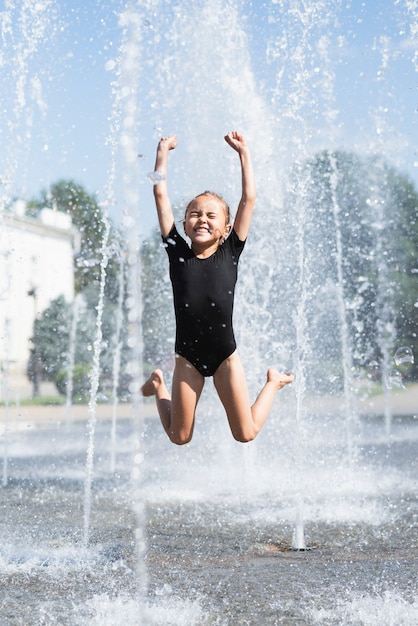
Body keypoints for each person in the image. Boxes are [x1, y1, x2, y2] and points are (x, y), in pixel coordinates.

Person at [141, 131, 293, 445]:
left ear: (225, 228)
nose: (202, 219)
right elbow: (159, 195)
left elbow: (248, 198)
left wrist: (244, 153)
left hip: (226, 358)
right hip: (187, 359)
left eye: (212, 215)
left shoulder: (231, 251)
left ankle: (274, 382)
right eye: (194, 214)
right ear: (184, 225)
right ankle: (159, 384)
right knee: (179, 436)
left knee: (246, 433)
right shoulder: (176, 251)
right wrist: (162, 153)